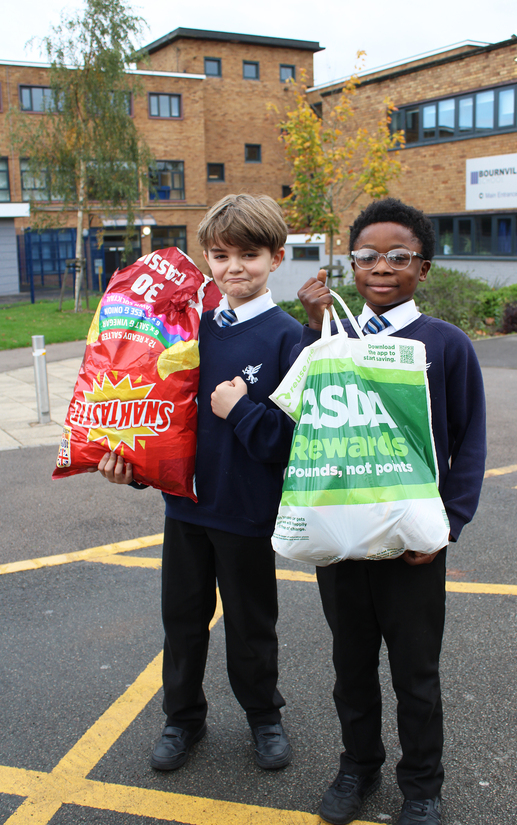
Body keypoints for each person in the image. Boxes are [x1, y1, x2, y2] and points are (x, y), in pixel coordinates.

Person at [293, 198, 486, 825]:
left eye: (398, 256)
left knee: (414, 673)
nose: (382, 266)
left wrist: (448, 525)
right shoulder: (329, 340)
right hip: (341, 538)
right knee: (350, 666)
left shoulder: (445, 345)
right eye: (367, 255)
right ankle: (358, 766)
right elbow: (303, 423)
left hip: (413, 544)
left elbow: (468, 440)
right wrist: (310, 326)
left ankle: (422, 786)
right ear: (350, 265)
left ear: (423, 268)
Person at [97, 194, 302, 772]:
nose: (234, 268)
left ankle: (264, 715)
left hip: (248, 512)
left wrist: (238, 410)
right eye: (220, 255)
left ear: (276, 258)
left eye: (249, 254)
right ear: (206, 259)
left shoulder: (289, 340)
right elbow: (160, 419)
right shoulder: (189, 332)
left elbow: (286, 441)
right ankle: (182, 717)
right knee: (183, 623)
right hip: (185, 509)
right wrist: (132, 467)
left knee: (251, 625)